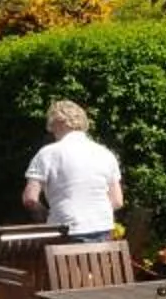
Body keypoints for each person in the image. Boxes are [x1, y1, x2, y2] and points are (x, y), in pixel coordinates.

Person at [20, 98, 123, 242]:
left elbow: (30, 198)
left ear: (57, 123)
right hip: (103, 230)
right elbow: (117, 201)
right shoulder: (105, 153)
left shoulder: (48, 153)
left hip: (65, 230)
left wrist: (46, 214)